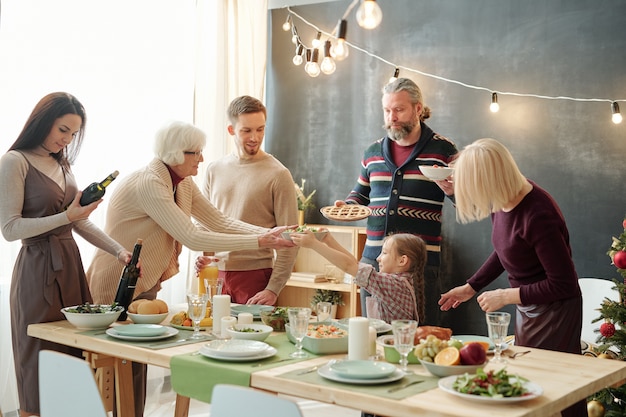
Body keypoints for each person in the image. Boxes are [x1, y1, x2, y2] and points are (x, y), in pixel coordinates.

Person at [86, 120, 294, 416]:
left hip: (146, 282)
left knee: (133, 367)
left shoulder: (181, 182)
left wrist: (269, 235)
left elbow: (219, 221)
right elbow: (191, 235)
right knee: (110, 369)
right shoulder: (150, 183)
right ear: (174, 154)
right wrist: (261, 240)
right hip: (115, 281)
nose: (202, 158)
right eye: (195, 152)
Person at [0, 92, 133, 417]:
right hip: (36, 269)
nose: (67, 139)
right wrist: (66, 218)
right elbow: (10, 229)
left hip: (70, 267)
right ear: (43, 122)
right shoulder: (15, 161)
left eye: (73, 134)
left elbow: (79, 220)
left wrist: (118, 251)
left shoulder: (63, 164)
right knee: (37, 357)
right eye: (63, 130)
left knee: (74, 353)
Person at [438, 138, 585, 417]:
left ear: (489, 179)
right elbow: (505, 249)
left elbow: (562, 284)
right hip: (528, 307)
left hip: (556, 313)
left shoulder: (538, 214)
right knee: (529, 389)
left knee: (554, 394)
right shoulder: (502, 199)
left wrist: (505, 296)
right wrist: (471, 286)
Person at [336, 78, 457, 325]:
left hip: (419, 264)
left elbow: (468, 201)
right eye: (387, 110)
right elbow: (360, 193)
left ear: (418, 109)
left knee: (421, 338)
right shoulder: (372, 152)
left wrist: (454, 190)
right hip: (374, 261)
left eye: (399, 110)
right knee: (373, 333)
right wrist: (347, 206)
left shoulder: (443, 150)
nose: (392, 117)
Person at [196, 95, 298, 305]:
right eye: (247, 130)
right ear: (231, 130)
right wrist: (205, 257)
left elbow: (291, 238)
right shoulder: (214, 170)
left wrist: (273, 289)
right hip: (214, 275)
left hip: (256, 277)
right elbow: (204, 224)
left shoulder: (278, 174)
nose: (255, 137)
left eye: (260, 129)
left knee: (253, 337)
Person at [291, 231, 426, 323]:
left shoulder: (394, 285)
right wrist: (329, 240)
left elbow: (349, 266)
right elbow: (355, 264)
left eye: (384, 253)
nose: (378, 258)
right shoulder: (398, 282)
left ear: (402, 261)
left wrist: (314, 244)